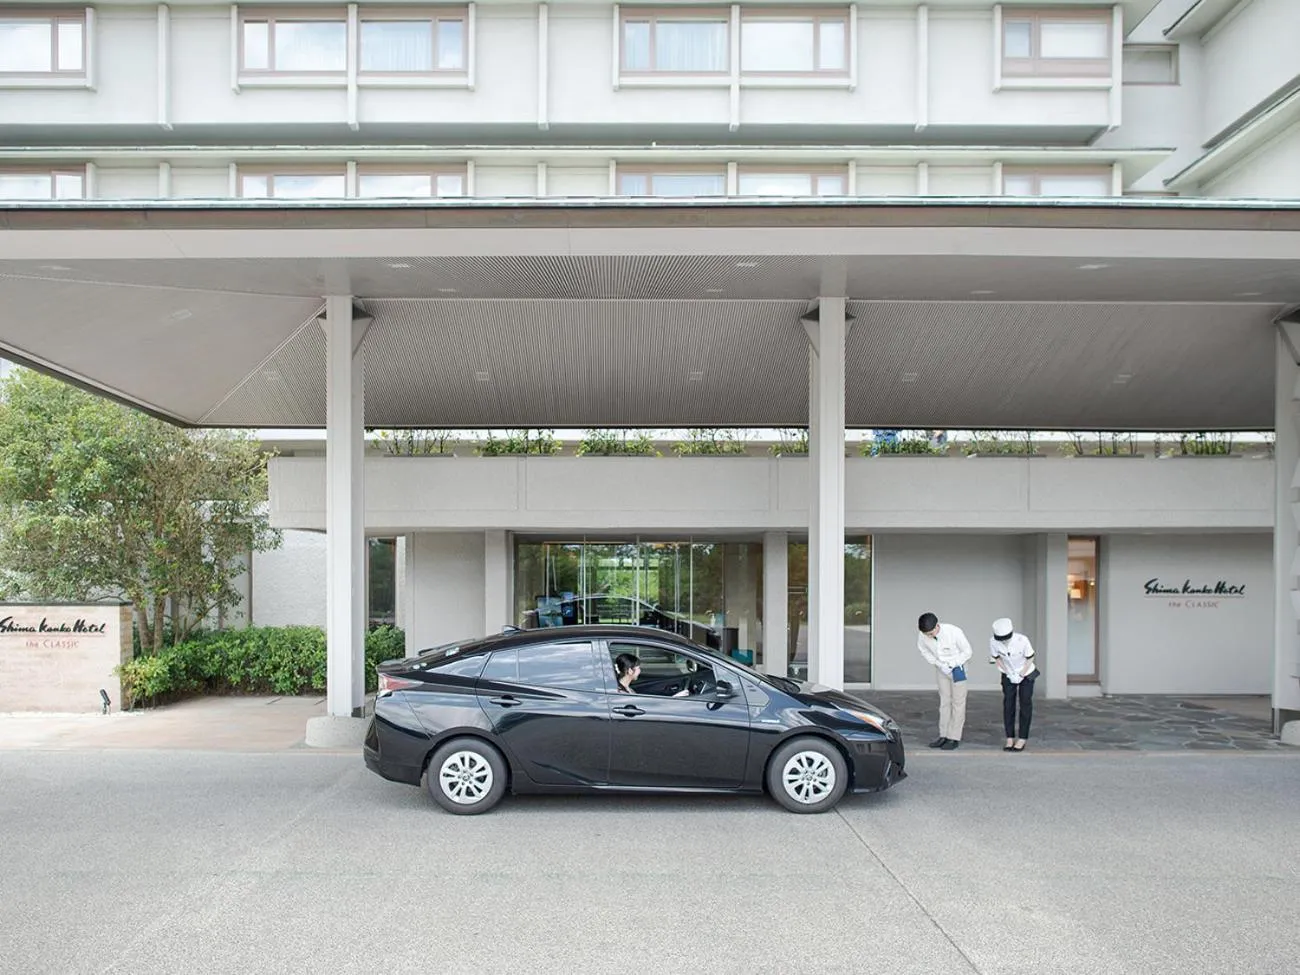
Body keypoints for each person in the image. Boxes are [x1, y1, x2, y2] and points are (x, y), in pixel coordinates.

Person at [917, 612, 972, 750]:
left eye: (931, 633)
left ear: (937, 625)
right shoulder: (923, 634)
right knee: (944, 702)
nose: (930, 636)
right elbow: (923, 650)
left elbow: (967, 651)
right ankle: (944, 735)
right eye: (927, 634)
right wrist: (937, 663)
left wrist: (953, 663)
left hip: (957, 670)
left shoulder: (954, 632)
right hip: (941, 669)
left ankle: (954, 737)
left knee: (958, 703)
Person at [989, 617, 1038, 752]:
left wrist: (1021, 674)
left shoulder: (1022, 640)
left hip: (1026, 672)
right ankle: (1009, 737)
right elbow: (996, 658)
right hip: (1008, 674)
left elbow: (1030, 657)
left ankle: (1022, 738)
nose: (1004, 641)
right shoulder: (993, 641)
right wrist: (1008, 672)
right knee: (1008, 704)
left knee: (1025, 703)